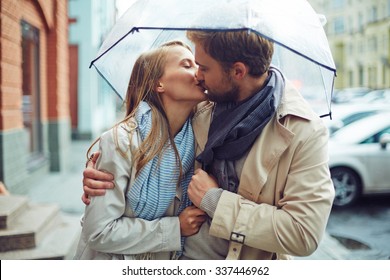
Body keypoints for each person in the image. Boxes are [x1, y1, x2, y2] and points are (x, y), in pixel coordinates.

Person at [82, 30, 335, 260]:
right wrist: (104, 175)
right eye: (191, 64)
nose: (198, 76)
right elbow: (146, 140)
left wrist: (215, 201)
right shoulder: (200, 106)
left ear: (237, 71)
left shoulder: (304, 132)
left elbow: (304, 233)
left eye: (203, 67)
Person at [74, 40, 207, 260]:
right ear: (159, 84)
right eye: (187, 65)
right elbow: (98, 232)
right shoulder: (121, 141)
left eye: (199, 65)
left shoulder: (200, 138)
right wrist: (175, 229)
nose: (199, 73)